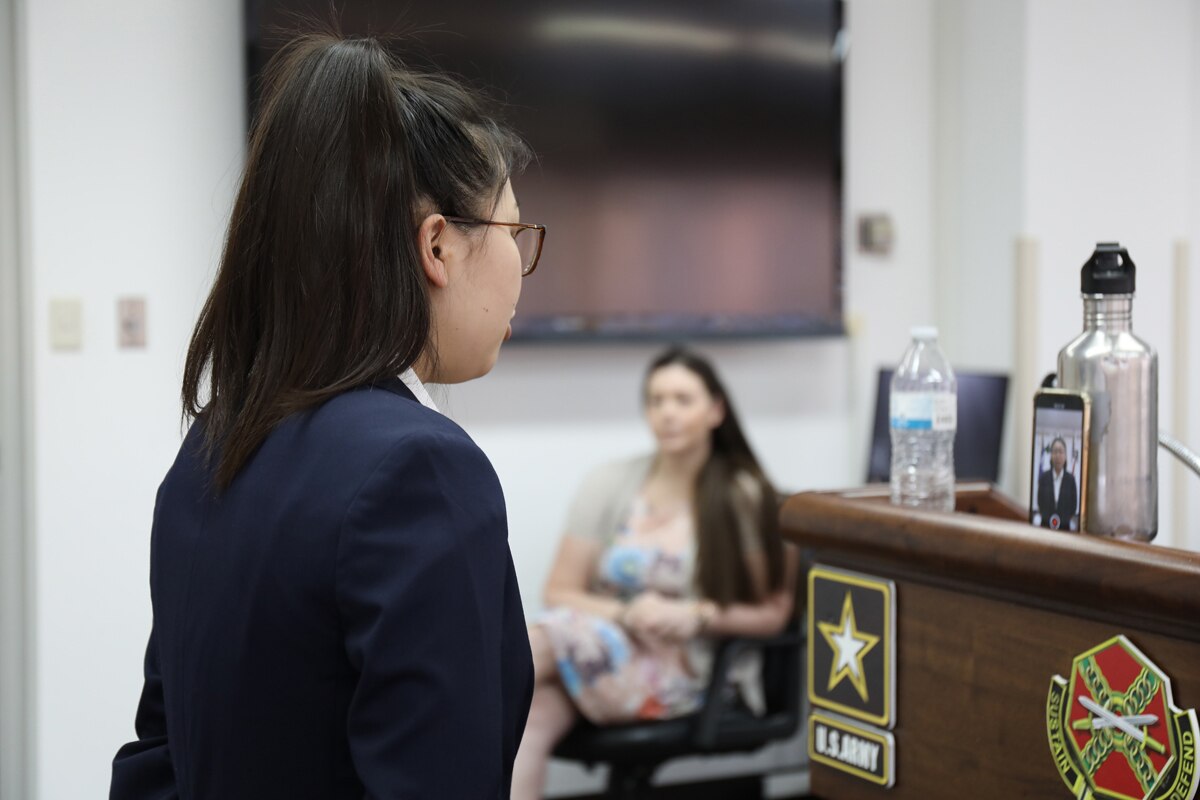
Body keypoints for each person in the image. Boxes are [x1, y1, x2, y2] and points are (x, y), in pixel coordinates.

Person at [110, 33, 546, 799]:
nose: (522, 264)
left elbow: (159, 756)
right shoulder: (419, 468)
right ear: (438, 247)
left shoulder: (215, 441)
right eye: (515, 232)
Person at [511, 347, 797, 799]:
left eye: (682, 400)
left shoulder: (745, 495)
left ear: (716, 410)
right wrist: (625, 614)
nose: (667, 413)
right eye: (656, 400)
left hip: (689, 669)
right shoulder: (610, 481)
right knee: (530, 719)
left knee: (525, 652)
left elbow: (774, 612)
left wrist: (696, 615)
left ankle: (445, 708)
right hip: (605, 648)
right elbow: (560, 591)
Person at [1038, 437, 1078, 530]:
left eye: (1061, 452)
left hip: (1064, 528)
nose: (1057, 455)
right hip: (1046, 527)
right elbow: (1040, 503)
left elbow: (1073, 506)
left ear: (1065, 456)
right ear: (1051, 455)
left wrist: (1062, 520)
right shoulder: (1044, 478)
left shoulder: (1071, 480)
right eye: (1055, 451)